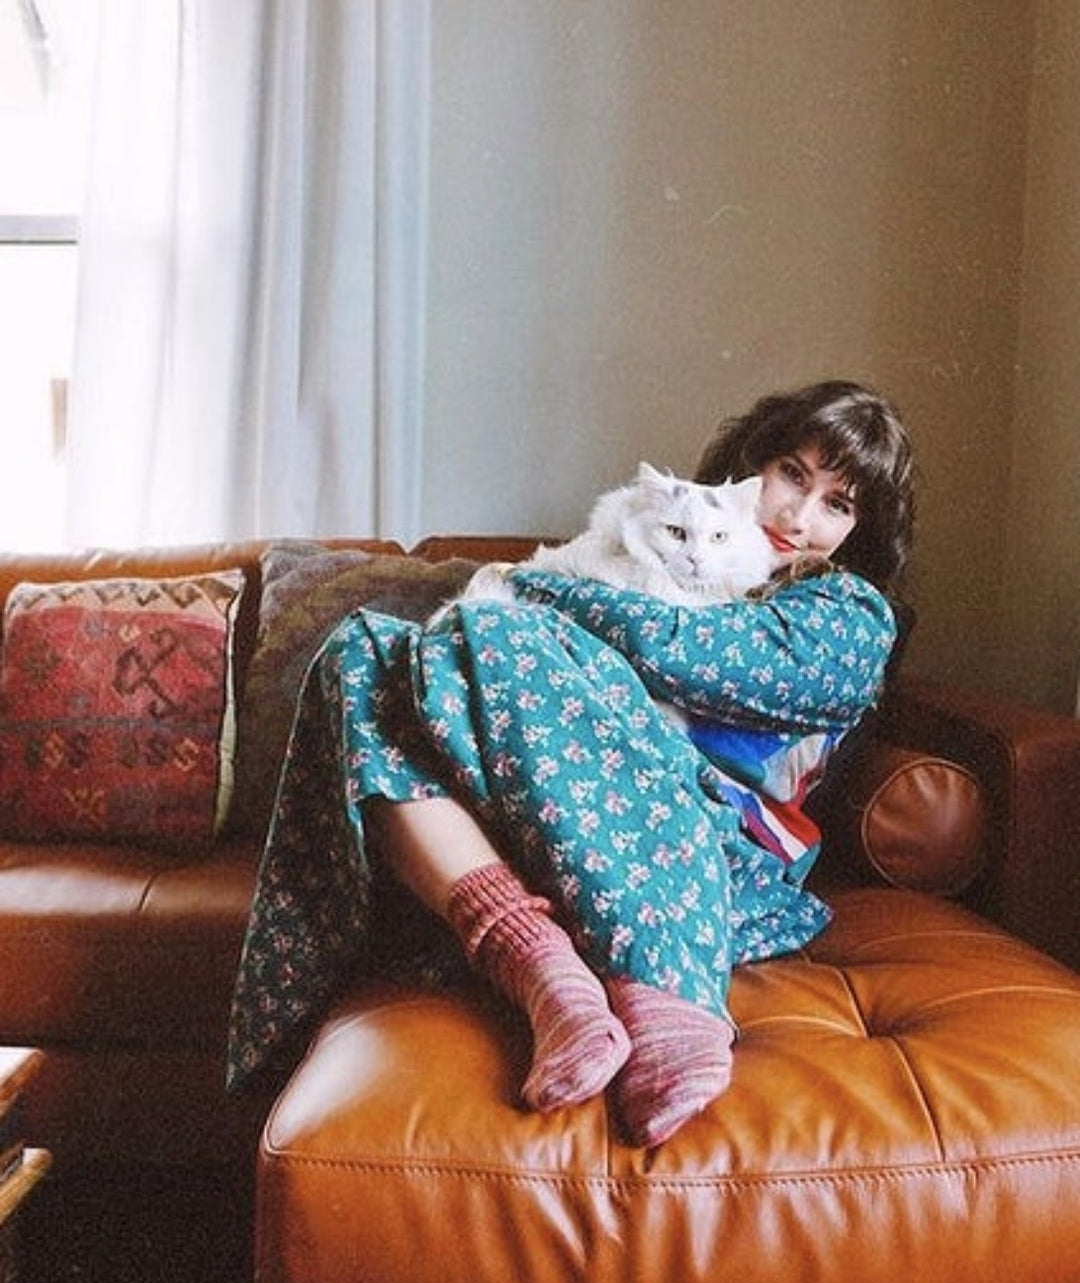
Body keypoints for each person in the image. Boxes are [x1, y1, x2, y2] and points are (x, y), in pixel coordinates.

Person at [227, 378, 915, 1149]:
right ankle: (537, 961)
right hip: (551, 819)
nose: (798, 513)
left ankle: (670, 999)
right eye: (793, 473)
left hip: (706, 853)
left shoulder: (849, 615)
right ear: (752, 468)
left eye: (837, 503)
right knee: (361, 650)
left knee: (503, 633)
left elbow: (681, 652)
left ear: (860, 530)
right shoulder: (667, 545)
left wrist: (538, 587)